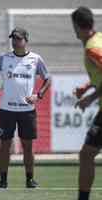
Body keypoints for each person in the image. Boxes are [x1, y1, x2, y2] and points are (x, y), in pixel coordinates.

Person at [0, 27, 51, 189]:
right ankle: (3, 181)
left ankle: (30, 179)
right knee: (4, 146)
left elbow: (47, 79)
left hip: (27, 110)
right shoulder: (4, 58)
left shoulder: (35, 59)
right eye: (13, 38)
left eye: (18, 38)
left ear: (25, 40)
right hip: (6, 110)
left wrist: (38, 95)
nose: (15, 41)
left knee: (28, 147)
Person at [71, 7, 102, 200]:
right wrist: (87, 87)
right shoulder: (98, 39)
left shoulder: (92, 47)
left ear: (76, 26)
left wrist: (90, 98)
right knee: (88, 153)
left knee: (87, 153)